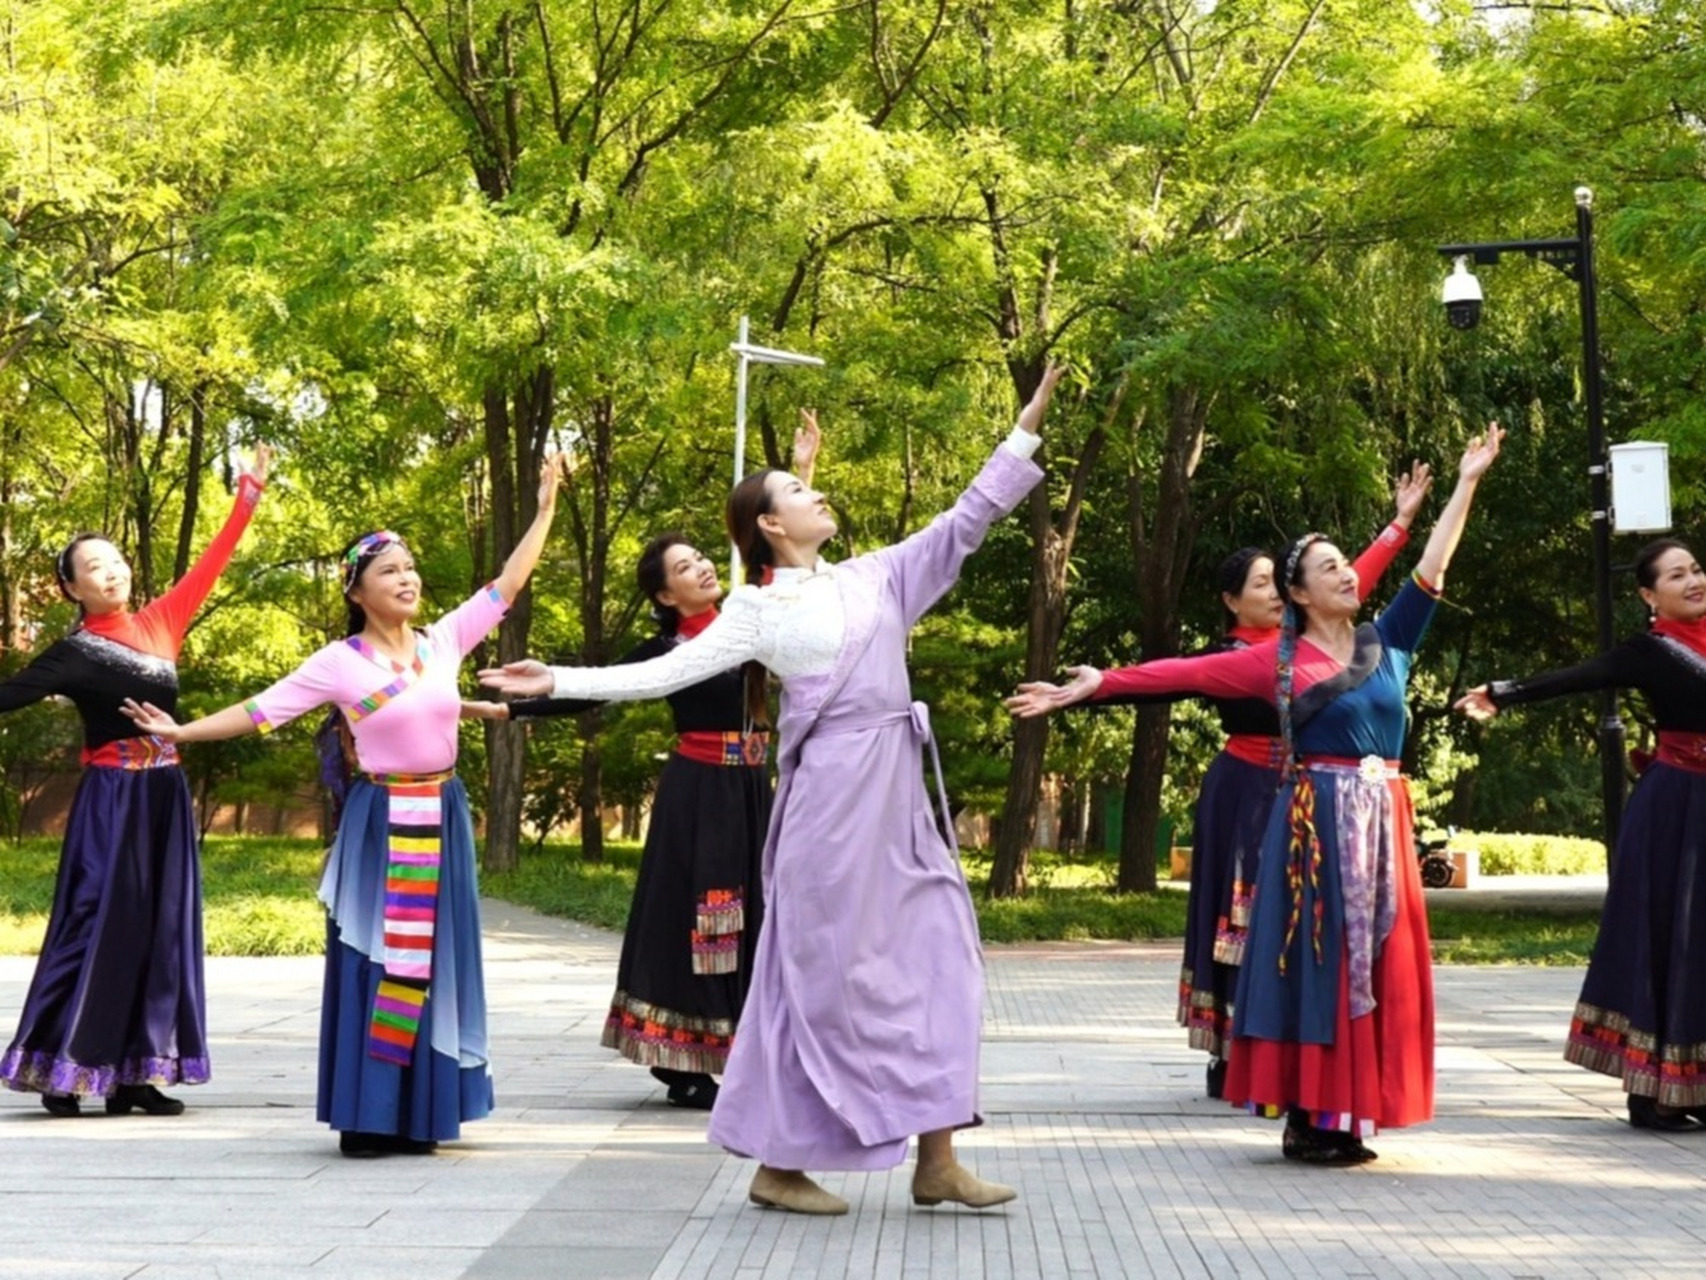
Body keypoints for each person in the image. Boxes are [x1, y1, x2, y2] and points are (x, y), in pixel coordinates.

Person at [482, 370, 1065, 1214]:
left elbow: (967, 519)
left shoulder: (879, 577)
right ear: (768, 525)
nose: (819, 492)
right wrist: (557, 676)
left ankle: (937, 1158)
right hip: (827, 809)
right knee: (816, 981)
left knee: (943, 957)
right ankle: (778, 1166)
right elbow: (662, 673)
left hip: (897, 799)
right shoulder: (756, 613)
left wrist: (1023, 431)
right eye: (800, 489)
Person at [1011, 426, 1503, 1164]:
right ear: (1298, 594)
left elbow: (1433, 565)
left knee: (1378, 965)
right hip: (1314, 827)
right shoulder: (1269, 664)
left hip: (1384, 826)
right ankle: (1310, 1113)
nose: (1345, 574)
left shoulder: (1389, 639)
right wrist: (1095, 686)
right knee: (1318, 964)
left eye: (1348, 564)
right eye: (1327, 568)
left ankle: (1351, 1108)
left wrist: (1466, 483)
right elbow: (1178, 673)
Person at [122, 454, 567, 1156]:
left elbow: (508, 584)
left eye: (411, 566)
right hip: (380, 823)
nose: (407, 577)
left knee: (432, 963)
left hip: (441, 815)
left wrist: (544, 509)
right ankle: (371, 1111)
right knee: (378, 959)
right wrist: (182, 731)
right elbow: (260, 710)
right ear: (357, 590)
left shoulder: (444, 641)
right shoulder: (338, 662)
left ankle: (423, 1110)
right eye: (390, 570)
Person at [469, 418, 819, 1109]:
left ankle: (745, 1045)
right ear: (665, 596)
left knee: (759, 914)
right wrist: (508, 713)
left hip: (753, 789)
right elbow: (593, 688)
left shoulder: (753, 617)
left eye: (703, 558)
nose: (704, 568)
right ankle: (682, 1057)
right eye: (686, 568)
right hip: (702, 797)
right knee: (705, 920)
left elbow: (789, 561)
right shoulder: (664, 653)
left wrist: (803, 468)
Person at [1092, 470, 1431, 1099]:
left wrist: (1402, 523)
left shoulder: (1315, 640)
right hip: (1251, 788)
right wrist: (1097, 684)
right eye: (1262, 585)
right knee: (1246, 920)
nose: (1275, 594)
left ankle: (1307, 1065)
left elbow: (1355, 583)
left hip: (1314, 789)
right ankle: (1239, 1047)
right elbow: (1176, 674)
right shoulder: (1250, 657)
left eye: (1280, 584)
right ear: (1232, 600)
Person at [0, 448, 270, 1117]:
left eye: (114, 559)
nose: (110, 570)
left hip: (164, 798)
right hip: (110, 802)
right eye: (93, 566)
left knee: (160, 930)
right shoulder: (71, 653)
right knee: (91, 925)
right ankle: (58, 1069)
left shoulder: (162, 621)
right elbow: (7, 696)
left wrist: (248, 496)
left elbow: (214, 561)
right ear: (71, 589)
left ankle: (133, 1078)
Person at [1455, 538, 1706, 1130]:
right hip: (1674, 808)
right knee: (1668, 935)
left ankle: (1695, 1082)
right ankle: (1652, 1090)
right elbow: (1581, 677)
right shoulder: (1653, 650)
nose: (1694, 580)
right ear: (1650, 594)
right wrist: (1503, 693)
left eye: (1696, 568)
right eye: (1677, 575)